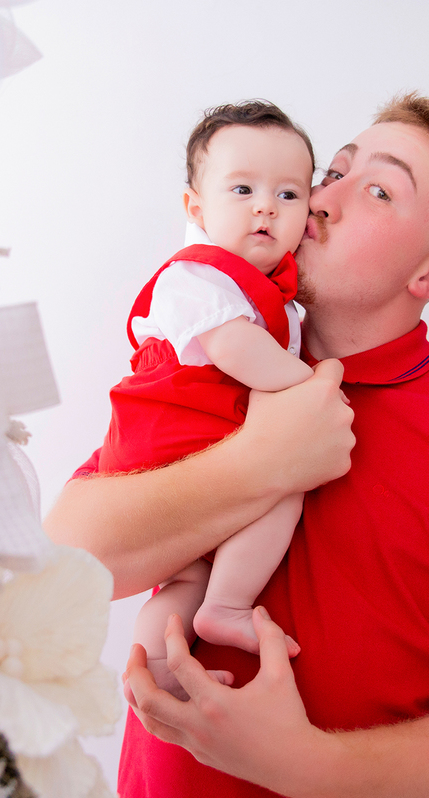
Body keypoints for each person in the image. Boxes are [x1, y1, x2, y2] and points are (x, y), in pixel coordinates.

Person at [45, 93, 429, 798]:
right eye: (332, 170)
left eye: (377, 189)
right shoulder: (205, 359)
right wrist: (261, 462)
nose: (323, 200)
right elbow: (65, 560)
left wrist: (306, 765)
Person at [101, 101, 317, 697]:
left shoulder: (280, 297)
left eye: (289, 194)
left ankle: (158, 670)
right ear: (196, 207)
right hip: (169, 441)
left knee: (181, 579)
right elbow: (235, 349)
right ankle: (228, 604)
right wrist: (312, 387)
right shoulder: (198, 277)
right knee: (284, 487)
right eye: (242, 188)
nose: (266, 207)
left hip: (198, 446)